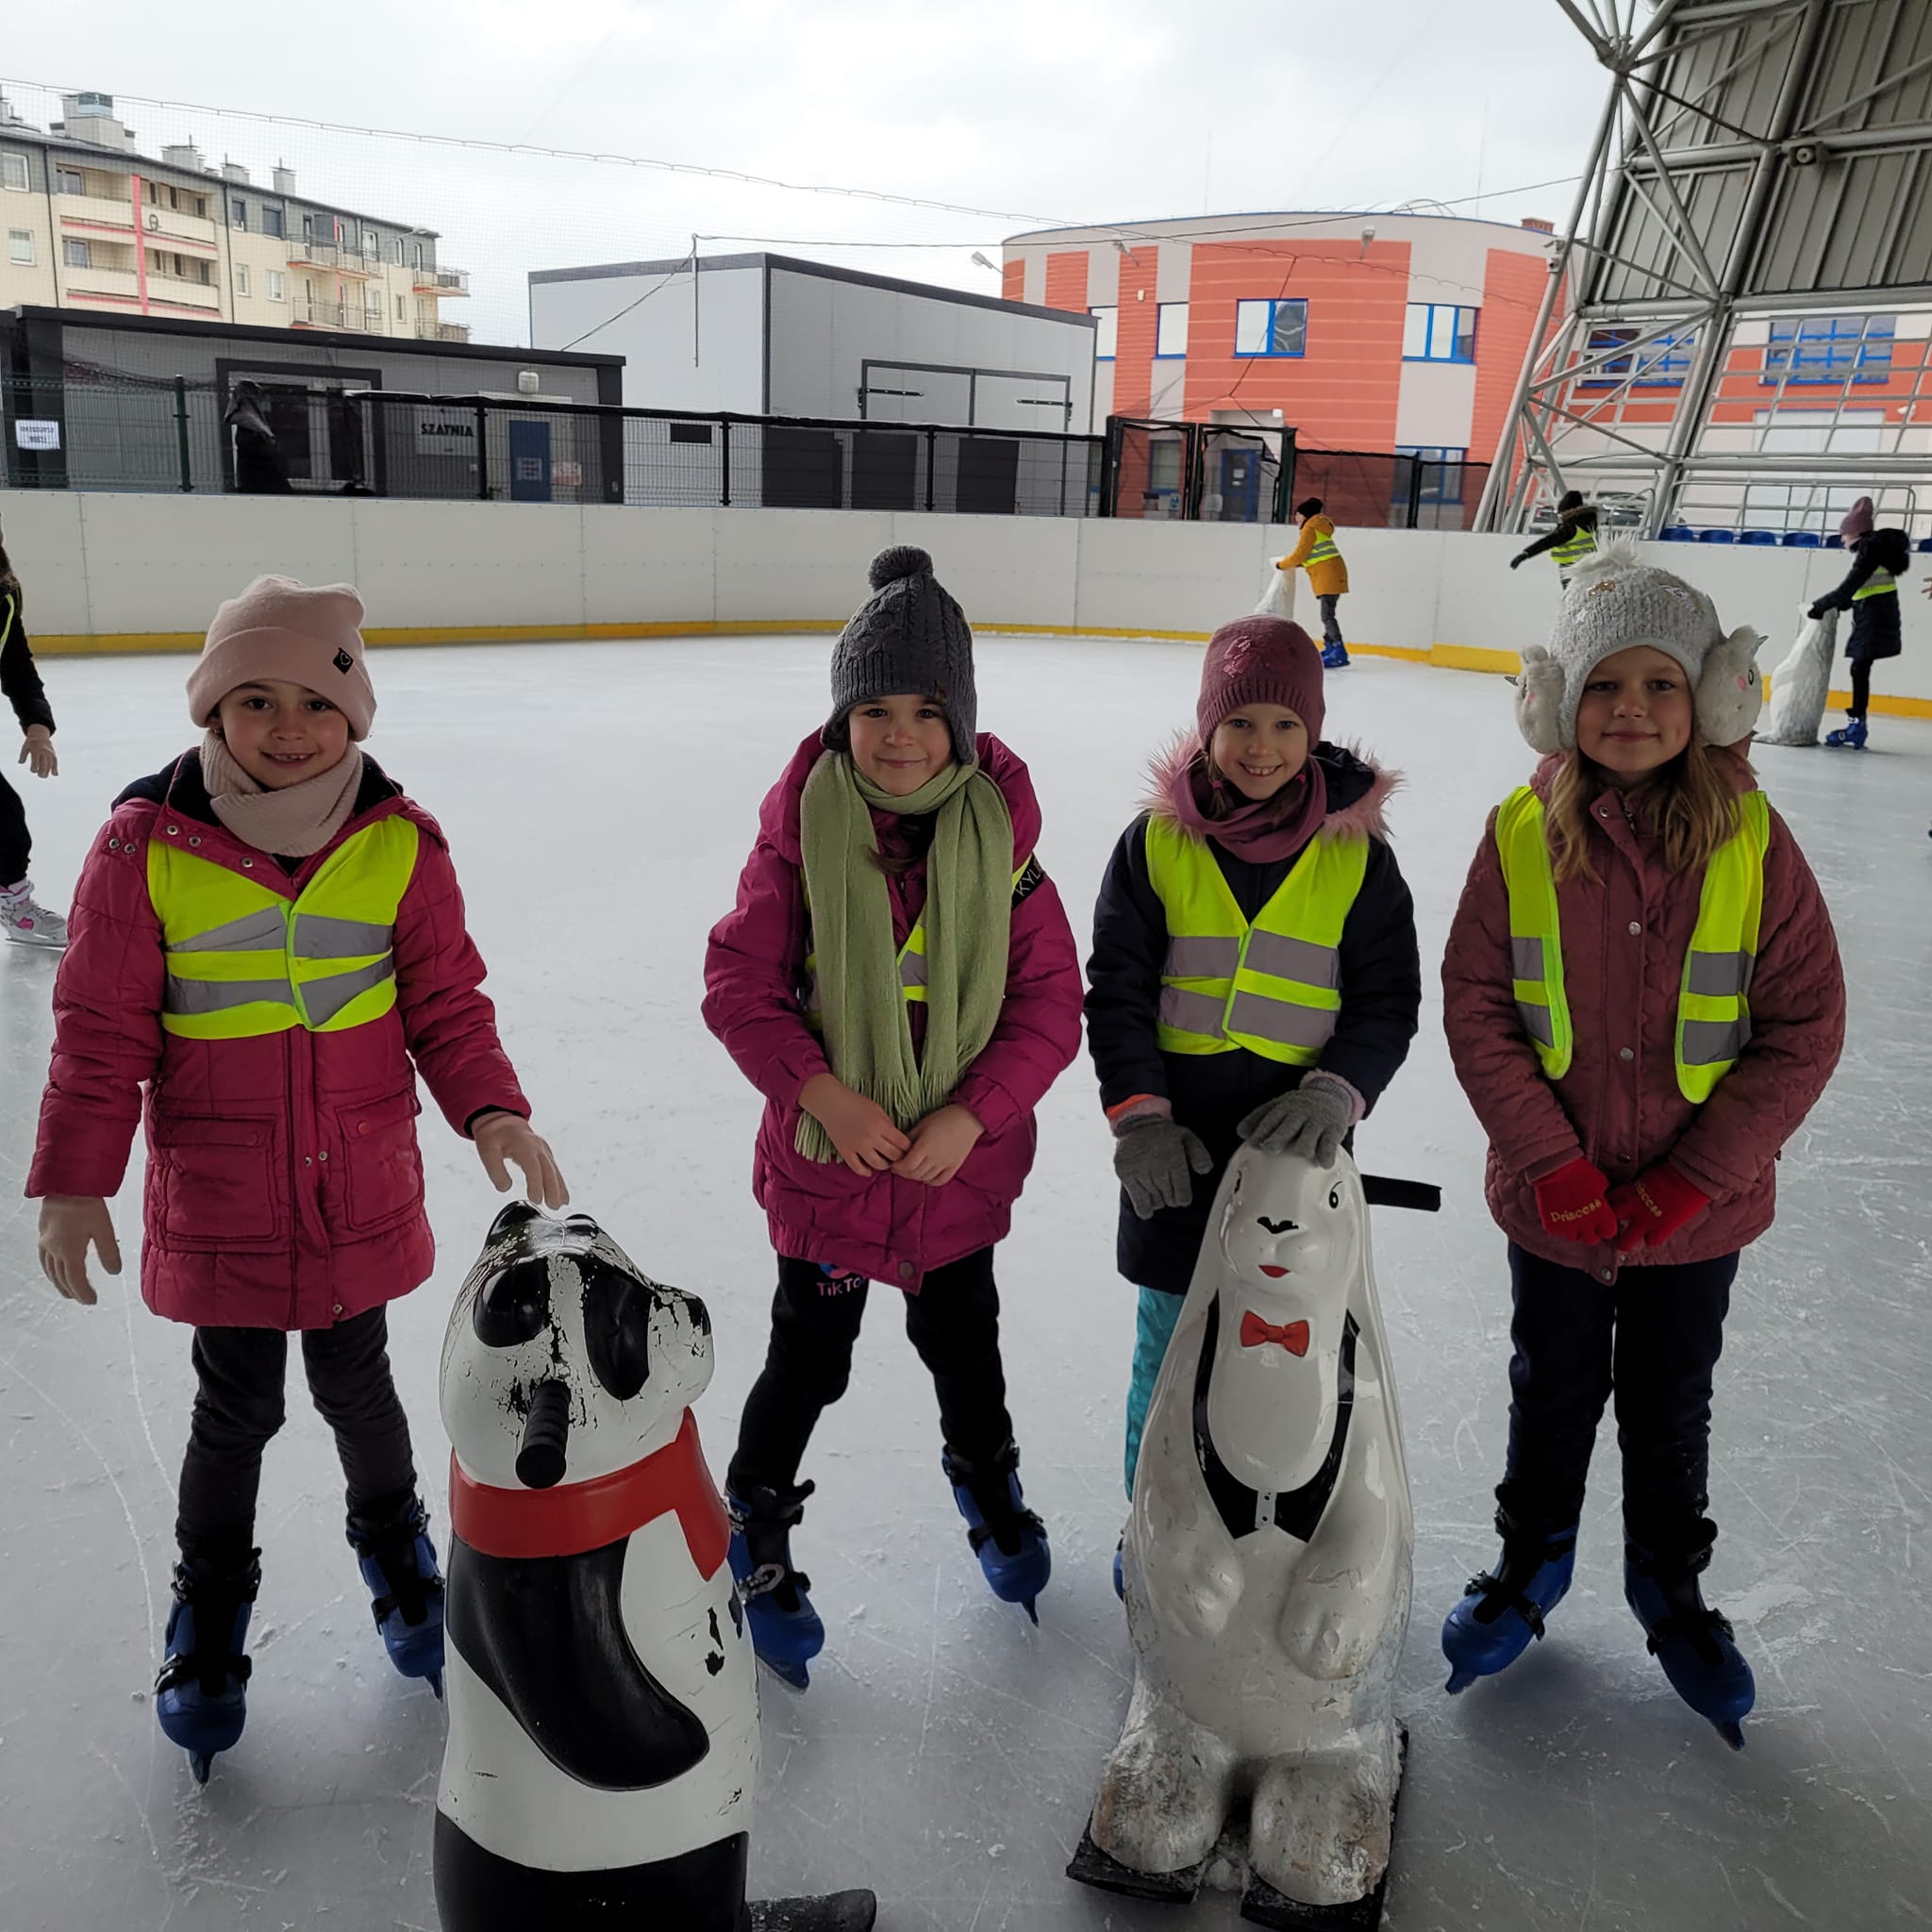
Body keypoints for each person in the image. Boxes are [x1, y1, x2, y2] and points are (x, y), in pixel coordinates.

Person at [26, 575, 568, 1781]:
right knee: (235, 1409)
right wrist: (74, 1177)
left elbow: (446, 1000)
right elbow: (99, 1031)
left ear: (354, 713)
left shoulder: (398, 841)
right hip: (224, 1188)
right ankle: (210, 1607)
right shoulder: (143, 845)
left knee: (360, 1387)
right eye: (255, 699)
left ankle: (399, 1556)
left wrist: (491, 1106)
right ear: (211, 710)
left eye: (317, 702)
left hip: (353, 1181)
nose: (288, 727)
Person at [1438, 545, 1844, 1749]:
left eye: (1660, 683)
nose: (1630, 708)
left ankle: (1667, 1583)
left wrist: (1693, 1179)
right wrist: (1552, 1164)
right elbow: (1476, 1005)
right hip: (1554, 1201)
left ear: (1708, 697)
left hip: (1694, 1214)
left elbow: (1804, 1023)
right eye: (1603, 684)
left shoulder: (1753, 840)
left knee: (1670, 1400)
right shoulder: (1519, 834)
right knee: (1549, 1385)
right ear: (1558, 698)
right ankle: (1531, 1558)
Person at [703, 545, 1082, 1689]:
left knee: (963, 1346)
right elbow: (738, 984)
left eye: (925, 710)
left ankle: (987, 1481)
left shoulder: (1005, 856)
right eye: (874, 710)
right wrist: (818, 1090)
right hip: (828, 1173)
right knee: (807, 1359)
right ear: (842, 720)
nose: (900, 734)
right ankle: (754, 1517)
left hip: (951, 1175)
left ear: (959, 721)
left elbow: (1049, 1003)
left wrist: (975, 1114)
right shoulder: (798, 843)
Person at [1084, 615, 1420, 1541]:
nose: (1260, 747)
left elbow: (1387, 1000)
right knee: (1170, 1342)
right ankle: (1154, 1526)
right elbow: (1116, 991)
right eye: (1238, 723)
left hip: (1297, 1157)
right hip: (1175, 1150)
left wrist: (1334, 1091)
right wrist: (1137, 1116)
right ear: (1206, 728)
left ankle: (1275, 1529)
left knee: (1290, 1340)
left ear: (1313, 729)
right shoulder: (1153, 844)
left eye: (1283, 724)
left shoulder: (1357, 855)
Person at [0, 526, 66, 946]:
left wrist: (37, 726)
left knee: (6, 819)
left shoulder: (4, 596)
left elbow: (17, 666)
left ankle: (16, 908)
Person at [1807, 495, 1909, 749]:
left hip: (1874, 619)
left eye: (1844, 533)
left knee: (1859, 669)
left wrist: (1819, 607)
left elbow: (1849, 586)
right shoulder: (1874, 551)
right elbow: (1863, 589)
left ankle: (1856, 726)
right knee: (1860, 669)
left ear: (1855, 532)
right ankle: (1857, 725)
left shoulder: (1869, 552)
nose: (1842, 539)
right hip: (1874, 615)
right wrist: (1842, 604)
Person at [1275, 497, 1351, 669]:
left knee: (1327, 615)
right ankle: (1330, 648)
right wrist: (1298, 564)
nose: (1296, 518)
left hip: (1328, 576)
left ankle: (1338, 651)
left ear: (1306, 515)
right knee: (1328, 614)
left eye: (1298, 515)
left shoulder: (1310, 528)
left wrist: (1281, 565)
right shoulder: (1318, 526)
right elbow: (1314, 556)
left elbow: (1299, 554)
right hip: (1332, 574)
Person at [1509, 489, 1599, 586]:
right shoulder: (1590, 522)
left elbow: (1548, 541)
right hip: (1590, 566)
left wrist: (1526, 554)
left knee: (1572, 594)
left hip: (1572, 568)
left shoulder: (1571, 527)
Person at [225, 381, 292, 495]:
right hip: (259, 485)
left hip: (260, 483)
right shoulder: (248, 425)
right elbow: (256, 452)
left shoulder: (253, 424)